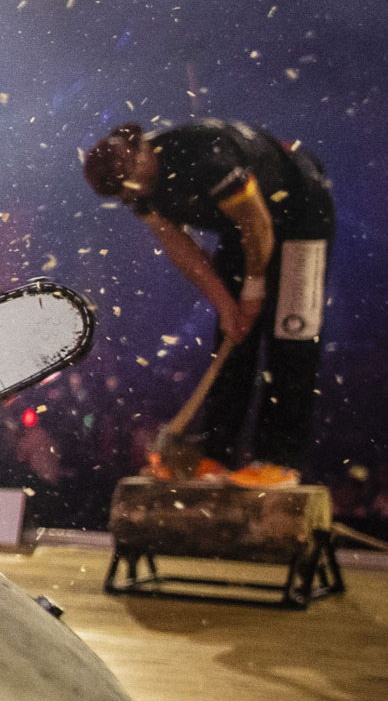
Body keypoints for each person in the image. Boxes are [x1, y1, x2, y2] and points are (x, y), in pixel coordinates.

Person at [82, 118, 335, 486]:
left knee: (291, 336)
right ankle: (217, 455)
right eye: (126, 196)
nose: (134, 198)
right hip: (239, 226)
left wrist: (252, 291)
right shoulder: (137, 187)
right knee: (233, 336)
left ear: (140, 156)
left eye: (132, 189)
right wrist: (227, 305)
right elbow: (180, 248)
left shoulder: (207, 157)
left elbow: (259, 226)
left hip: (299, 211)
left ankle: (279, 460)